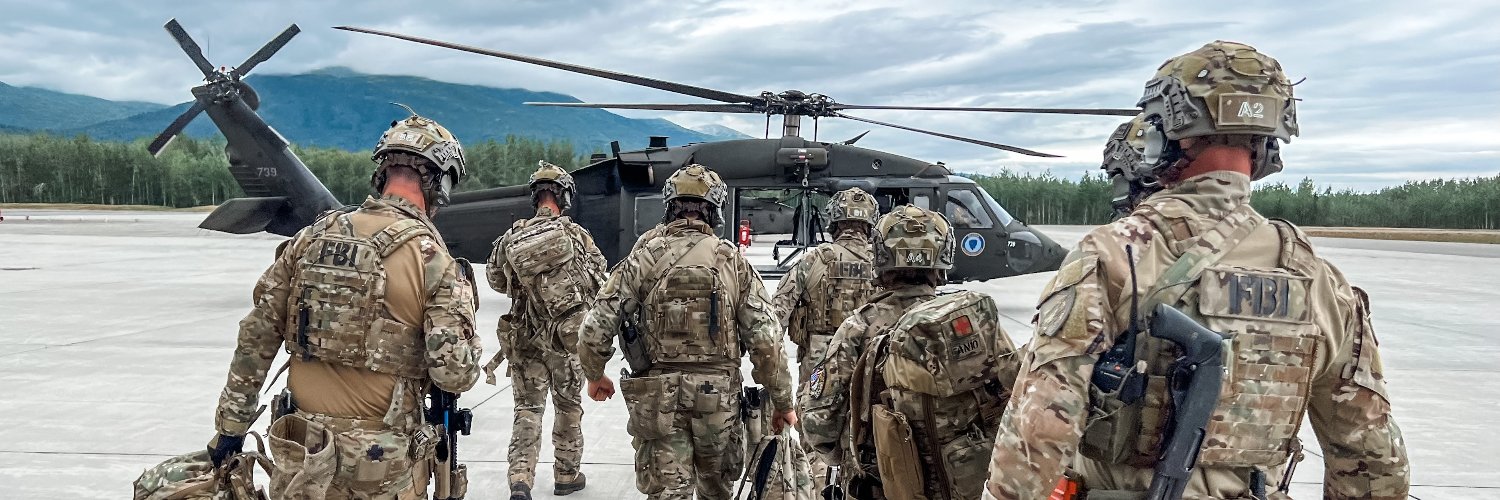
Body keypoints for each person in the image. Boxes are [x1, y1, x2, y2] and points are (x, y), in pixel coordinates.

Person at [984, 41, 1410, 499]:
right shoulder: (1321, 280)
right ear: (1267, 144)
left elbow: (1037, 436)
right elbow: (1371, 460)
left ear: (1164, 134)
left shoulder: (1114, 254)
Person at [207, 111, 483, 499]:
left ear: (381, 173)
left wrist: (231, 429)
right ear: (440, 182)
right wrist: (473, 344)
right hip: (381, 466)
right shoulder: (434, 261)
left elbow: (257, 337)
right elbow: (454, 374)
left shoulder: (309, 238)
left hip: (301, 453)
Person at [575, 164, 797, 499]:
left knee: (667, 492)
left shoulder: (643, 258)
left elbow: (595, 326)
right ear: (715, 210)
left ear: (669, 206)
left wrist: (595, 375)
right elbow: (766, 341)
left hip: (659, 397)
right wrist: (782, 401)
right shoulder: (733, 262)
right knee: (716, 491)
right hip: (718, 400)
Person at [801, 204, 1020, 499]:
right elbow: (1015, 397)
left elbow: (819, 426)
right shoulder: (972, 322)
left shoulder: (859, 328)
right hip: (968, 486)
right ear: (942, 259)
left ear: (881, 259)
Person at [484, 161, 606, 500]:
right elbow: (599, 279)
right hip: (566, 342)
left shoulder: (512, 236)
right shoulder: (576, 235)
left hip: (525, 341)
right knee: (568, 406)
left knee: (527, 409)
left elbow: (495, 280)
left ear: (534, 197)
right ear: (564, 197)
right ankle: (566, 475)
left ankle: (520, 478)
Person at [770, 187, 880, 492]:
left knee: (815, 447)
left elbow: (775, 317)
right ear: (870, 223)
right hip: (871, 365)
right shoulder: (883, 265)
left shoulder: (814, 260)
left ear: (834, 222)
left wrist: (774, 379)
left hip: (820, 367)